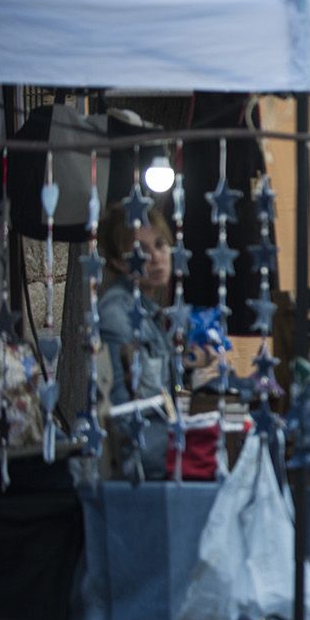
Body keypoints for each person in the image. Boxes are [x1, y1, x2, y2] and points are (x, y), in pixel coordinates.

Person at [97, 203, 179, 480]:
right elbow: (121, 413)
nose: (157, 258)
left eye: (160, 245)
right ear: (120, 261)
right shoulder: (117, 313)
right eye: (142, 252)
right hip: (142, 456)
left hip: (160, 442)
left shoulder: (149, 310)